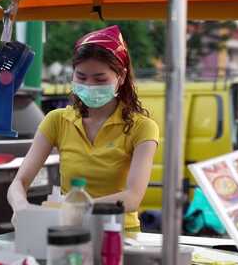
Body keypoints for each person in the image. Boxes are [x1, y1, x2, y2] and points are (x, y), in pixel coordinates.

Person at [8, 25, 159, 232]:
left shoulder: (142, 128)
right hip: (70, 230)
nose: (89, 85)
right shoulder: (57, 120)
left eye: (100, 79)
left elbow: (132, 198)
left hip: (119, 233)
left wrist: (75, 207)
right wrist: (21, 207)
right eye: (81, 77)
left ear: (121, 77)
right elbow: (19, 182)